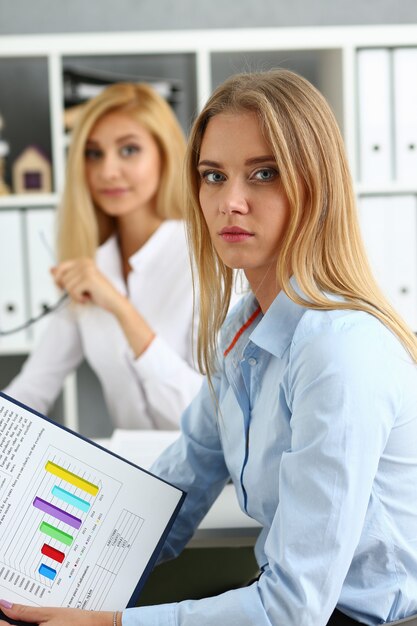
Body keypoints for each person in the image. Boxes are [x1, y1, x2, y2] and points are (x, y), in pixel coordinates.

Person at [1, 68, 417, 626]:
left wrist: (107, 624)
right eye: (214, 176)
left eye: (264, 174)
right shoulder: (242, 331)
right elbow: (173, 492)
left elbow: (293, 611)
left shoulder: (338, 352)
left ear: (316, 187)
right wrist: (33, 574)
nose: (230, 202)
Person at [3, 82, 202, 430]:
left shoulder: (205, 260)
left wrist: (120, 308)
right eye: (93, 154)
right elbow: (32, 389)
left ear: (164, 154)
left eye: (128, 150)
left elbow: (208, 420)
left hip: (215, 482)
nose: (107, 171)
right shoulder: (92, 267)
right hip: (131, 478)